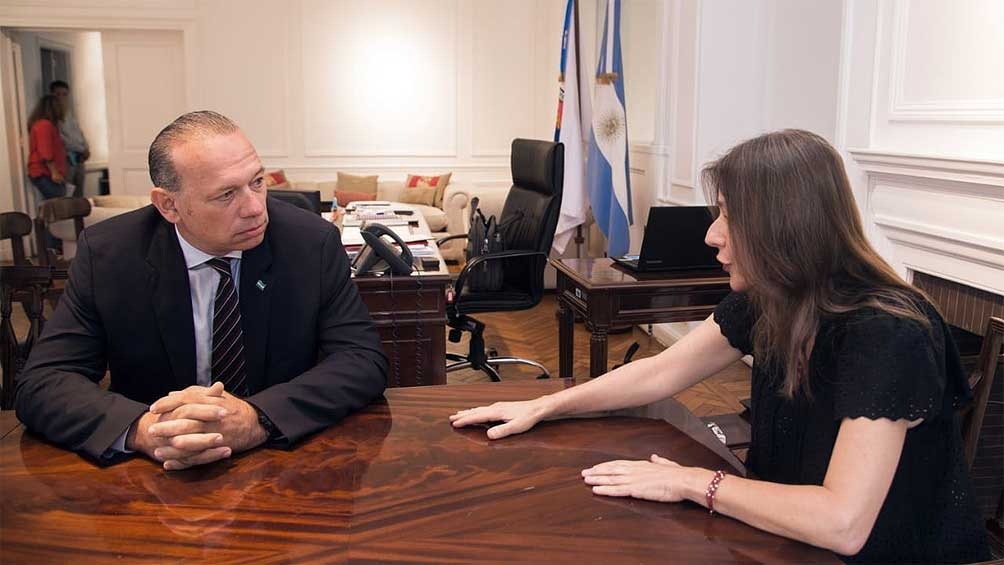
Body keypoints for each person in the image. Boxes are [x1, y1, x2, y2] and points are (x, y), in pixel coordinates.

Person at [450, 130, 990, 563]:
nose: (712, 234)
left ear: (785, 227)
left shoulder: (888, 332)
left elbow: (842, 523)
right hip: (790, 540)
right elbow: (660, 372)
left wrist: (690, 482)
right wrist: (544, 405)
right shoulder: (773, 297)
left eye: (730, 214)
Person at [16, 110, 388, 471]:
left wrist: (257, 418)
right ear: (169, 205)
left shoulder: (310, 243)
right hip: (152, 472)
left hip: (280, 463)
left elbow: (361, 360)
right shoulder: (110, 254)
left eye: (257, 182)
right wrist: (144, 431)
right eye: (226, 195)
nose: (255, 208)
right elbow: (43, 382)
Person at [50, 80, 90, 196]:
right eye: (58, 94)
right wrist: (81, 149)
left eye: (64, 94)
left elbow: (79, 133)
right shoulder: (52, 116)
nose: (61, 97)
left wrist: (86, 148)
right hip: (67, 159)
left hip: (79, 158)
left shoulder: (69, 114)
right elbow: (62, 139)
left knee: (79, 192)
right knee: (68, 192)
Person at [26, 94, 68, 201]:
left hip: (46, 172)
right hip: (44, 172)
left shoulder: (44, 125)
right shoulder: (44, 125)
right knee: (57, 203)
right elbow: (45, 152)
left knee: (55, 202)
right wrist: (54, 172)